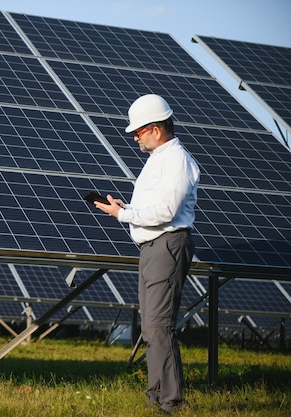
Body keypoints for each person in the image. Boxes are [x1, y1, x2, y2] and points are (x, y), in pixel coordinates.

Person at [93, 94, 199, 414]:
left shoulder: (177, 160)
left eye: (138, 131)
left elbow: (167, 211)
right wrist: (128, 209)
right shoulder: (159, 160)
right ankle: (157, 397)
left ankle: (171, 401)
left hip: (167, 244)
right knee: (151, 326)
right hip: (153, 247)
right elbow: (155, 207)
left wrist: (122, 215)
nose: (136, 137)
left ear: (155, 129)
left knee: (158, 326)